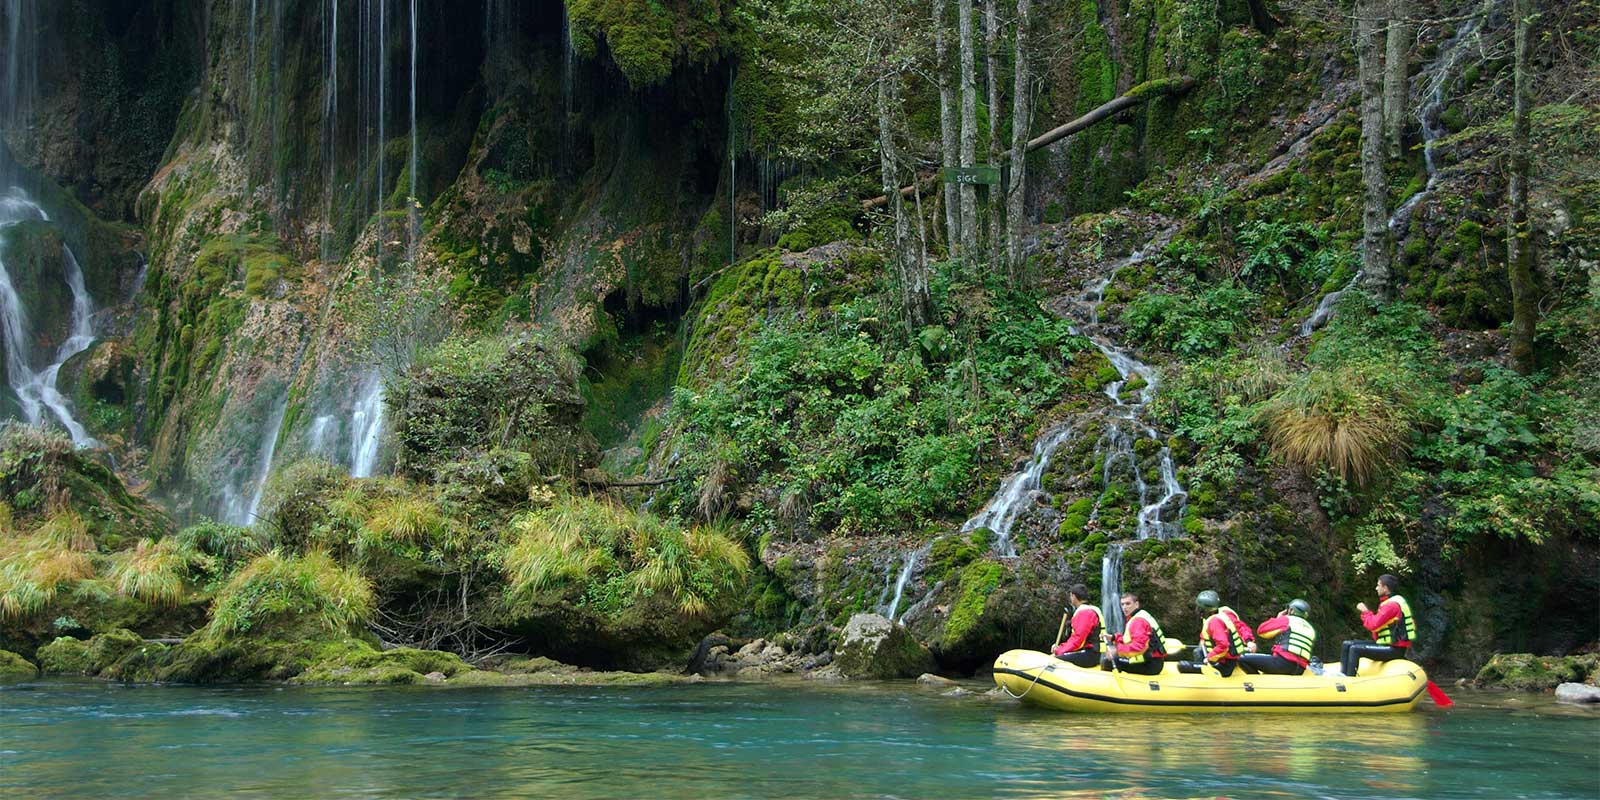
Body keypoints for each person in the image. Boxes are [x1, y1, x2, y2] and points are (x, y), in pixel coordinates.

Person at [1339, 574, 1416, 676]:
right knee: (1347, 644)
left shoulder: (1392, 605)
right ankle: (1342, 675)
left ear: (1385, 588)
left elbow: (1373, 625)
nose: (1376, 588)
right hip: (1385, 644)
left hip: (1395, 649)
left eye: (1378, 585)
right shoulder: (1390, 602)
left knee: (1355, 649)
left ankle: (1349, 680)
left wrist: (1365, 611)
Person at [1177, 590, 1245, 677]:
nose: (1197, 609)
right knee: (1198, 651)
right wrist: (1202, 641)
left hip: (1224, 665)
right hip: (1222, 660)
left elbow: (1223, 645)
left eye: (1198, 607)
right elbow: (1207, 635)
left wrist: (1209, 658)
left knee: (1182, 666)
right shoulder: (1213, 617)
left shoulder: (1215, 622)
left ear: (1203, 609)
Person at [1240, 599, 1317, 675]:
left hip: (1282, 664)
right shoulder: (1310, 628)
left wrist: (1278, 619)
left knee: (1242, 659)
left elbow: (1261, 630)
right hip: (1300, 669)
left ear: (1291, 610)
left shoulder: (1287, 620)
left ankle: (1256, 683)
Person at [1105, 592, 1167, 675]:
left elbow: (1140, 647)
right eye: (1122, 604)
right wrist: (1113, 638)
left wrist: (1117, 651)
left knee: (1108, 661)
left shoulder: (1138, 621)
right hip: (1153, 662)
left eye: (1128, 604)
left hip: (1149, 665)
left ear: (1136, 604)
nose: (1124, 607)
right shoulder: (1140, 615)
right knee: (1115, 658)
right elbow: (1131, 639)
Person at [1050, 584, 1104, 668]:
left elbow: (1078, 640)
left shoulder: (1085, 613)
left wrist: (1059, 650)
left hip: (1090, 654)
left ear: (1073, 596)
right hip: (1096, 653)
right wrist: (1061, 647)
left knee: (1055, 662)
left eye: (1071, 596)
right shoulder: (1093, 609)